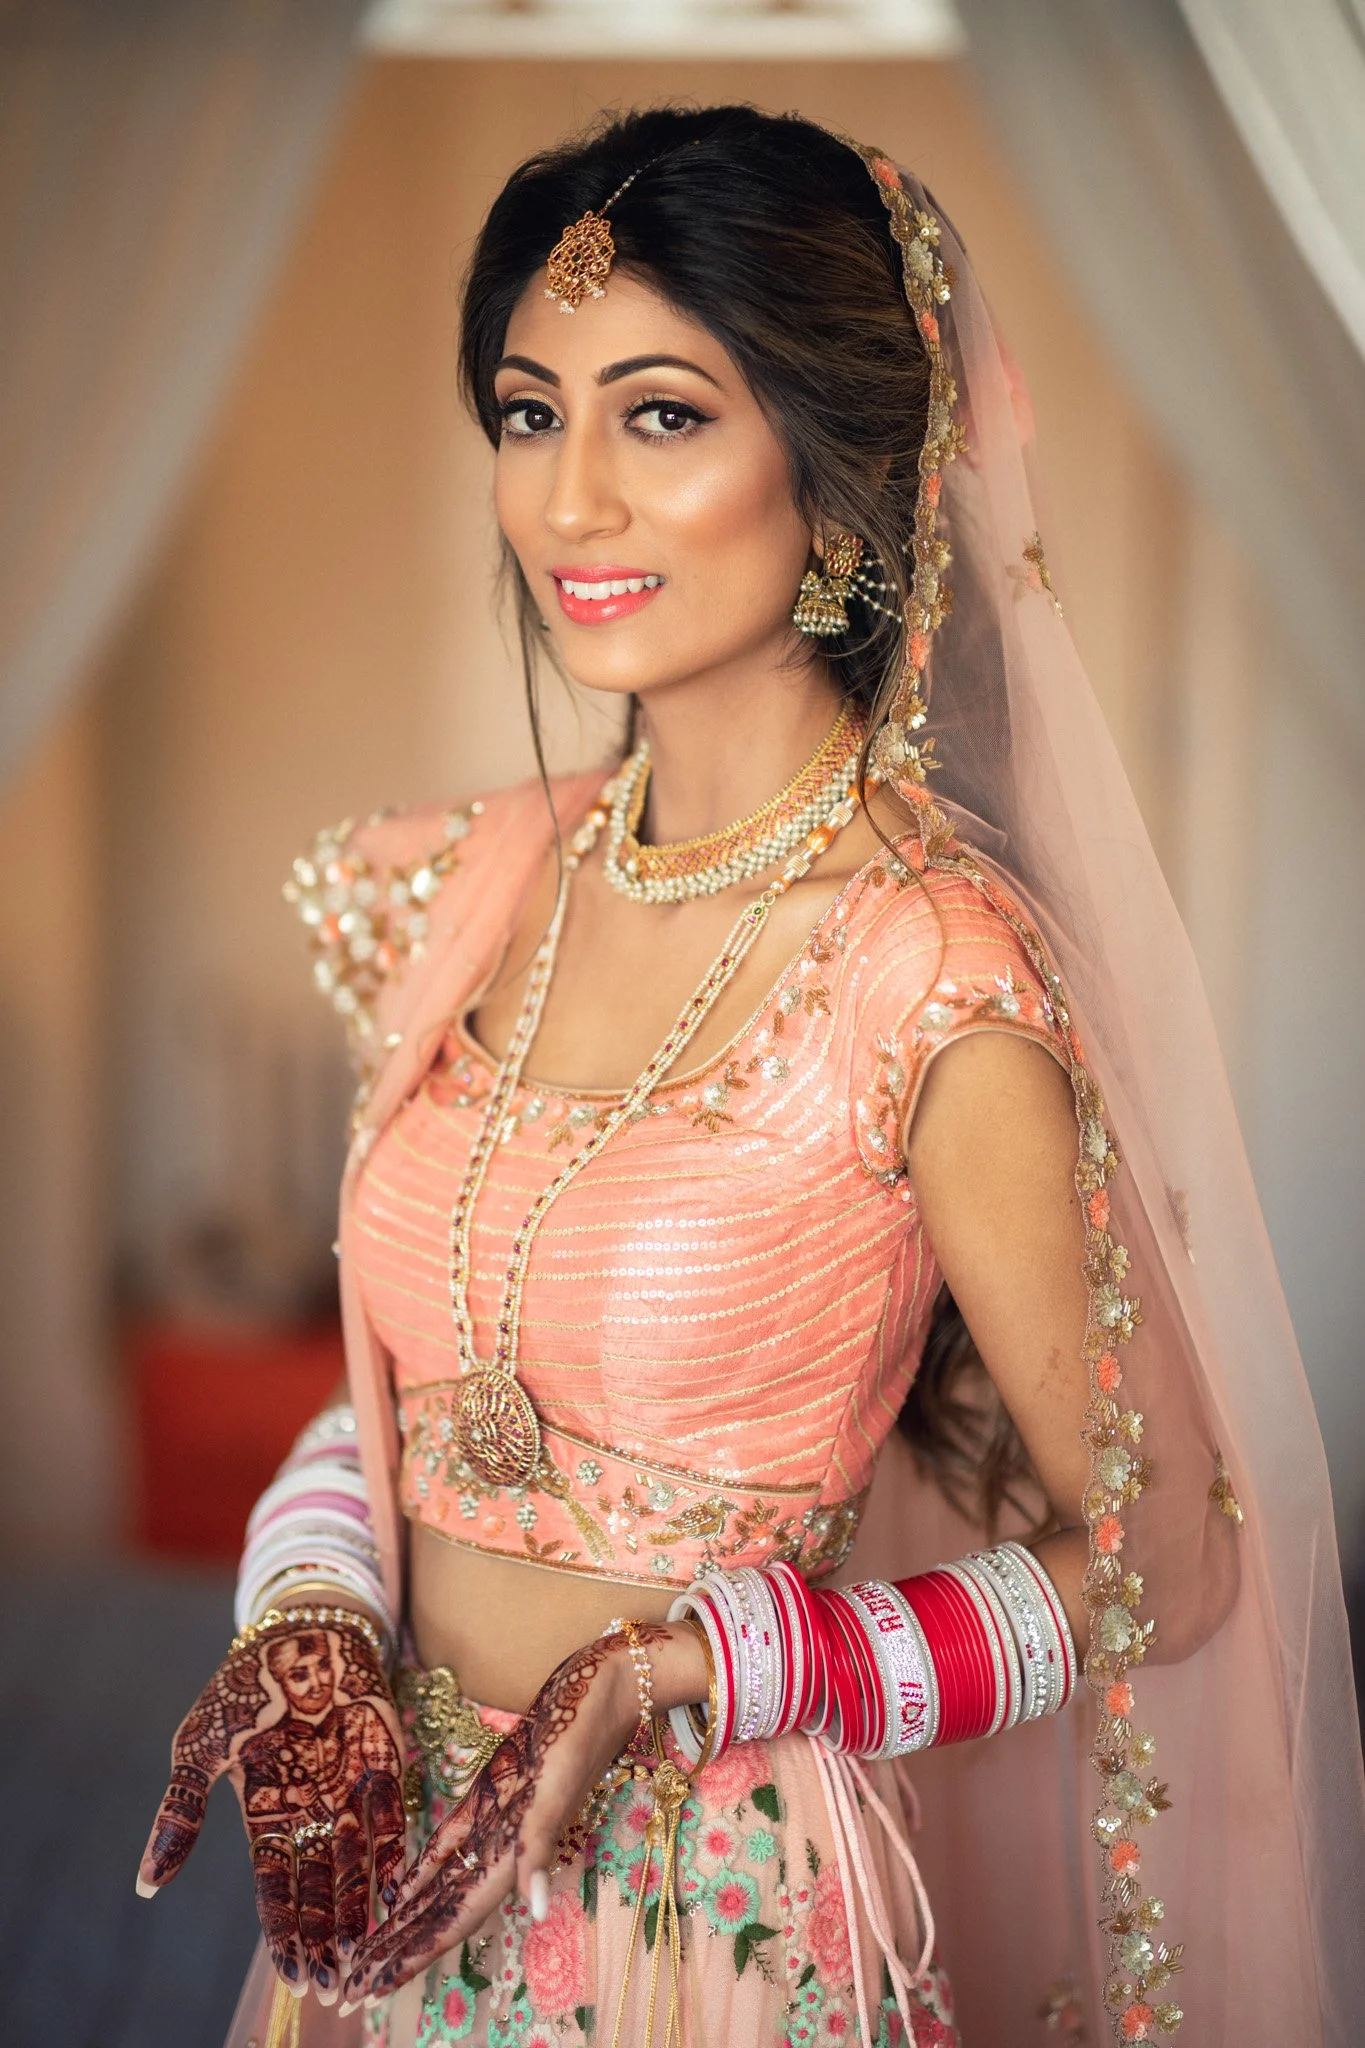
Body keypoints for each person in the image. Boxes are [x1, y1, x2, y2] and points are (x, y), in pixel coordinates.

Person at [138, 107, 1365, 2047]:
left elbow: (1166, 1555)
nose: (566, 505)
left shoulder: (929, 973)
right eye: (532, 414)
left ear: (842, 464)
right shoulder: (466, 887)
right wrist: (301, 1616)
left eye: (662, 415)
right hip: (382, 1905)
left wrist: (706, 1665)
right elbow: (413, 1385)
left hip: (708, 1929)